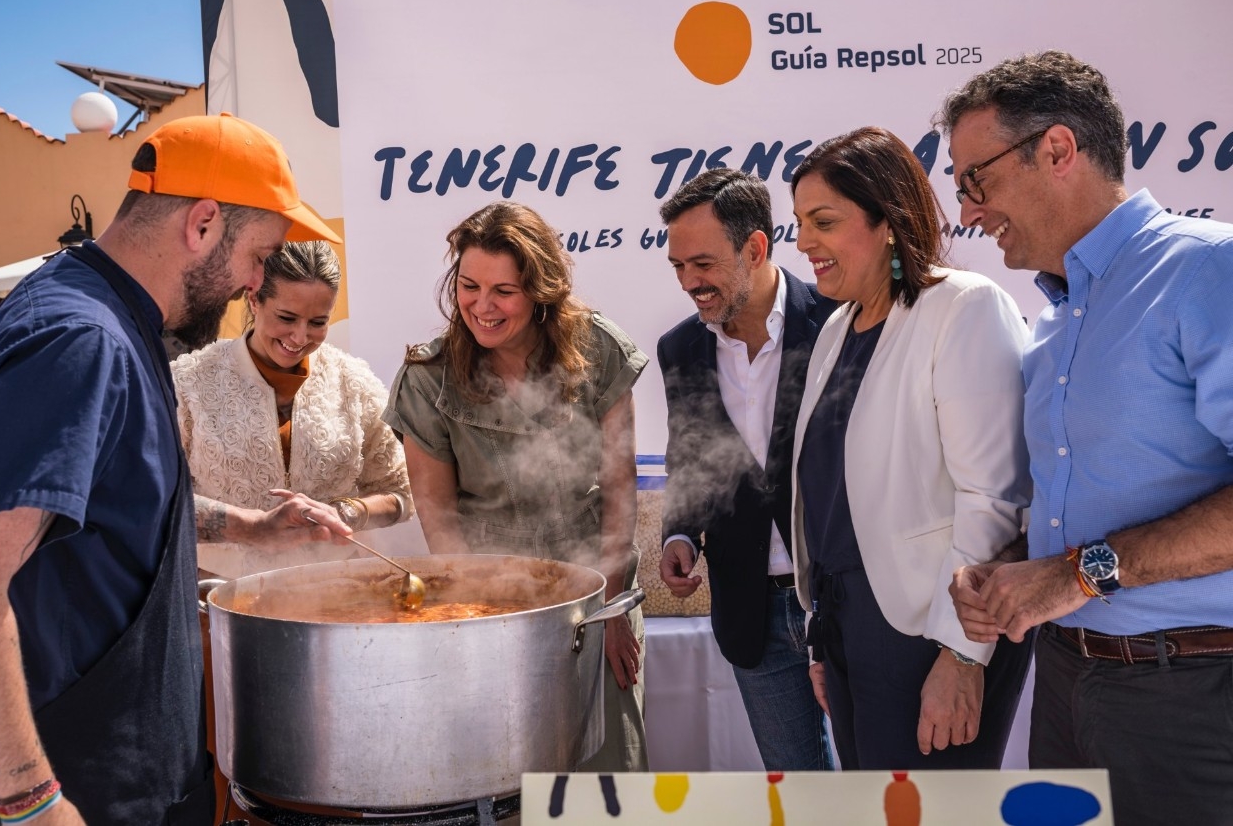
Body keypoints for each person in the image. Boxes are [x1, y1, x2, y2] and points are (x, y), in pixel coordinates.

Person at [0, 113, 339, 824]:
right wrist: (31, 801)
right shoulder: (79, 339)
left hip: (127, 785)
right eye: (260, 255)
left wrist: (250, 526)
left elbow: (110, 501)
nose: (255, 281)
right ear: (202, 224)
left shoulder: (119, 322)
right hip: (67, 793)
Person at [940, 51, 1233, 824]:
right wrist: (1010, 572)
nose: (967, 210)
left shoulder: (1209, 268)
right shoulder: (1052, 319)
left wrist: (1075, 574)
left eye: (977, 179)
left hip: (1193, 691)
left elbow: (1087, 562)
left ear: (1059, 150)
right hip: (1067, 678)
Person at [787, 126, 1032, 770]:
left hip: (931, 628)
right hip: (846, 622)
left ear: (888, 221)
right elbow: (832, 503)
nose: (804, 241)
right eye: (800, 223)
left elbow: (997, 499)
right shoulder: (836, 327)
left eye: (824, 221)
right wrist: (824, 642)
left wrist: (962, 655)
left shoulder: (964, 306)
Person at [382, 200, 649, 772]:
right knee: (504, 781)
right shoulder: (428, 379)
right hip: (490, 604)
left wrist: (610, 613)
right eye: (470, 286)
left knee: (606, 783)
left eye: (504, 290)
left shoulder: (598, 349)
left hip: (597, 592)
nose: (482, 306)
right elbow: (441, 524)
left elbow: (619, 491)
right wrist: (483, 621)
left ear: (541, 290)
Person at [655, 168, 836, 771]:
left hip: (846, 605)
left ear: (755, 248)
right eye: (679, 267)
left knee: (875, 786)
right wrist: (679, 534)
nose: (689, 283)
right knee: (800, 789)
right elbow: (690, 455)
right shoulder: (680, 348)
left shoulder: (842, 320)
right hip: (751, 612)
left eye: (702, 264)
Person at [173, 239, 412, 577]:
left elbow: (401, 495)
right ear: (254, 299)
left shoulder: (353, 382)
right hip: (219, 595)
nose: (300, 337)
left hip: (335, 594)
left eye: (318, 322)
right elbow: (153, 500)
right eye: (287, 317)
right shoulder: (190, 383)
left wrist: (347, 512)